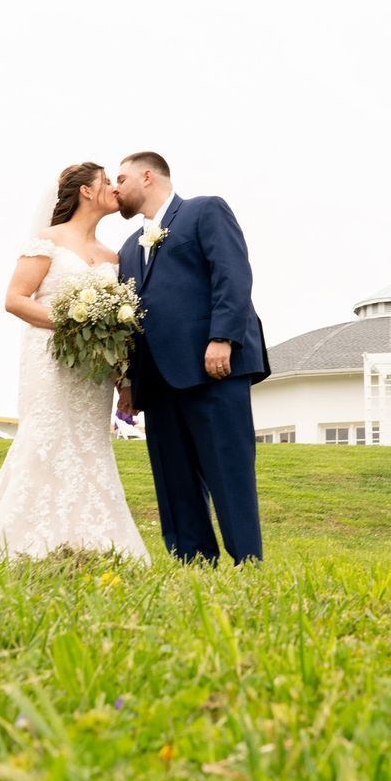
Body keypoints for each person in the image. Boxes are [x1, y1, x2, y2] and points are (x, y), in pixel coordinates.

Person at [0, 163, 151, 564]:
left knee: (91, 446)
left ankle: (92, 541)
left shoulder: (114, 256)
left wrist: (123, 382)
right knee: (47, 440)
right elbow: (16, 299)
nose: (114, 187)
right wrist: (74, 322)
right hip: (52, 365)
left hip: (92, 376)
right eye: (106, 181)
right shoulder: (47, 242)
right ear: (87, 192)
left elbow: (120, 327)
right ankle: (23, 538)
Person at [114, 153, 269, 564]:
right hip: (157, 378)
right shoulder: (128, 248)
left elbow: (232, 274)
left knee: (228, 470)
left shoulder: (204, 210)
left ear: (147, 176)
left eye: (122, 178)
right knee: (173, 477)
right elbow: (129, 318)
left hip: (212, 366)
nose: (116, 188)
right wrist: (128, 382)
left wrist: (223, 338)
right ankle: (193, 560)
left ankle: (246, 562)